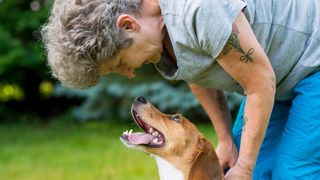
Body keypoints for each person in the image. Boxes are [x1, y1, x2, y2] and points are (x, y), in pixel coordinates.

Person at [42, 0, 320, 179]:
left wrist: (244, 168)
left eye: (120, 63)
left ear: (128, 25)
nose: (129, 73)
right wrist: (226, 140)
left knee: (294, 172)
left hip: (313, 63)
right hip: (279, 78)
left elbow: (259, 83)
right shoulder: (160, 39)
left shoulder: (198, 9)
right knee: (254, 167)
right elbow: (198, 74)